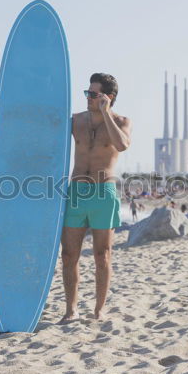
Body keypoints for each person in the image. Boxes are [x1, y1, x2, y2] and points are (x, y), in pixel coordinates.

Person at [60, 73, 132, 323]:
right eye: (87, 93)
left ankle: (99, 309)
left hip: (104, 192)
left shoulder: (121, 121)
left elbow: (122, 145)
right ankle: (71, 310)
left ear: (108, 97)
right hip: (77, 192)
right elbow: (39, 131)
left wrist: (106, 114)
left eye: (93, 94)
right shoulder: (75, 121)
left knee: (102, 255)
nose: (88, 98)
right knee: (69, 255)